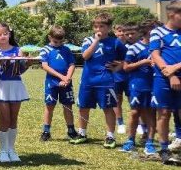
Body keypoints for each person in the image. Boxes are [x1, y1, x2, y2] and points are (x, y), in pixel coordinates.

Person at [70, 12, 127, 148]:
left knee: (108, 108)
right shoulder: (88, 40)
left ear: (109, 28)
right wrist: (96, 41)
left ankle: (110, 136)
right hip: (88, 81)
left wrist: (117, 68)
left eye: (101, 26)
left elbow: (127, 58)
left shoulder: (115, 42)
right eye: (95, 26)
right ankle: (82, 133)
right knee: (83, 107)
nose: (98, 29)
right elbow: (85, 56)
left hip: (106, 81)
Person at [0, 23, 30, 162]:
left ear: (10, 34)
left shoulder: (18, 50)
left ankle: (11, 149)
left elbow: (20, 70)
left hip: (15, 85)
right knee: (4, 118)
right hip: (0, 86)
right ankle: (2, 150)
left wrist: (28, 63)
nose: (3, 36)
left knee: (13, 119)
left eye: (5, 33)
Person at [149, 1, 181, 164]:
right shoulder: (158, 32)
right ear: (171, 14)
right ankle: (164, 149)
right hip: (163, 78)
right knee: (164, 112)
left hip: (176, 73)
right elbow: (155, 55)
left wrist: (175, 67)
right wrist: (170, 74)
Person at [121, 21, 157, 155]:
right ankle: (130, 140)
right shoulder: (134, 48)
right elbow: (126, 67)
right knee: (135, 112)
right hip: (137, 84)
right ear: (146, 31)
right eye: (152, 30)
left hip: (154, 84)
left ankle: (150, 142)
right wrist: (143, 62)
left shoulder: (158, 47)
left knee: (151, 113)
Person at [39, 26, 76, 142]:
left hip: (66, 83)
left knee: (68, 106)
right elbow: (45, 66)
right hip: (52, 83)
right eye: (55, 42)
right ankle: (46, 131)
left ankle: (71, 130)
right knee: (49, 106)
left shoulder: (67, 50)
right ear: (49, 37)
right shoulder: (45, 50)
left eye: (61, 42)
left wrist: (67, 78)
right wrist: (61, 77)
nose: (58, 44)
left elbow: (72, 64)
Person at [113, 24, 129, 134]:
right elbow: (109, 60)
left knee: (133, 100)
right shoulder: (112, 44)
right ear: (115, 32)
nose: (121, 33)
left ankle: (140, 124)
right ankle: (120, 123)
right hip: (117, 76)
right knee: (117, 100)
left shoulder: (132, 44)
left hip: (130, 76)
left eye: (123, 31)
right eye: (119, 31)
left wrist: (122, 63)